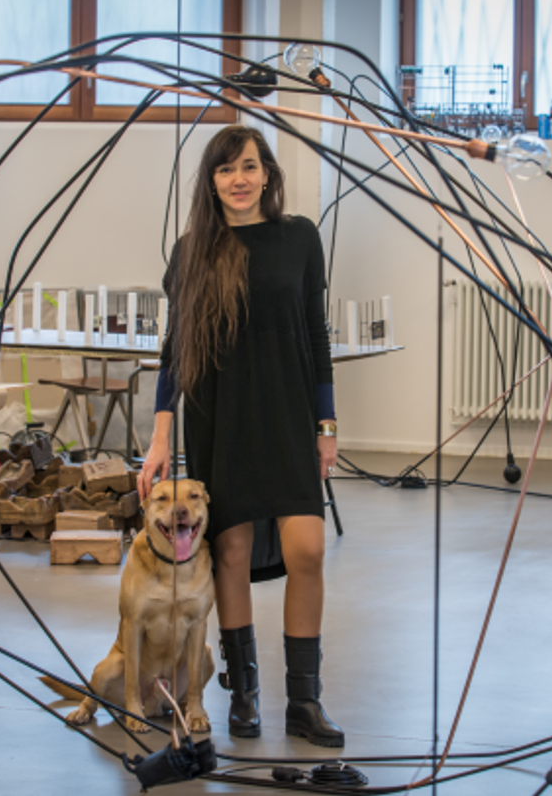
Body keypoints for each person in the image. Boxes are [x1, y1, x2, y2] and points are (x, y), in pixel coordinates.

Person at [138, 125, 343, 748]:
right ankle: (245, 692)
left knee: (307, 548)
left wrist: (325, 425)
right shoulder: (193, 249)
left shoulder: (300, 238)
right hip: (219, 415)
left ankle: (304, 701)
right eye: (226, 169)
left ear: (268, 174)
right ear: (212, 181)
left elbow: (316, 335)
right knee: (229, 552)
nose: (240, 179)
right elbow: (175, 352)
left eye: (250, 166)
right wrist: (160, 434)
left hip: (285, 411)